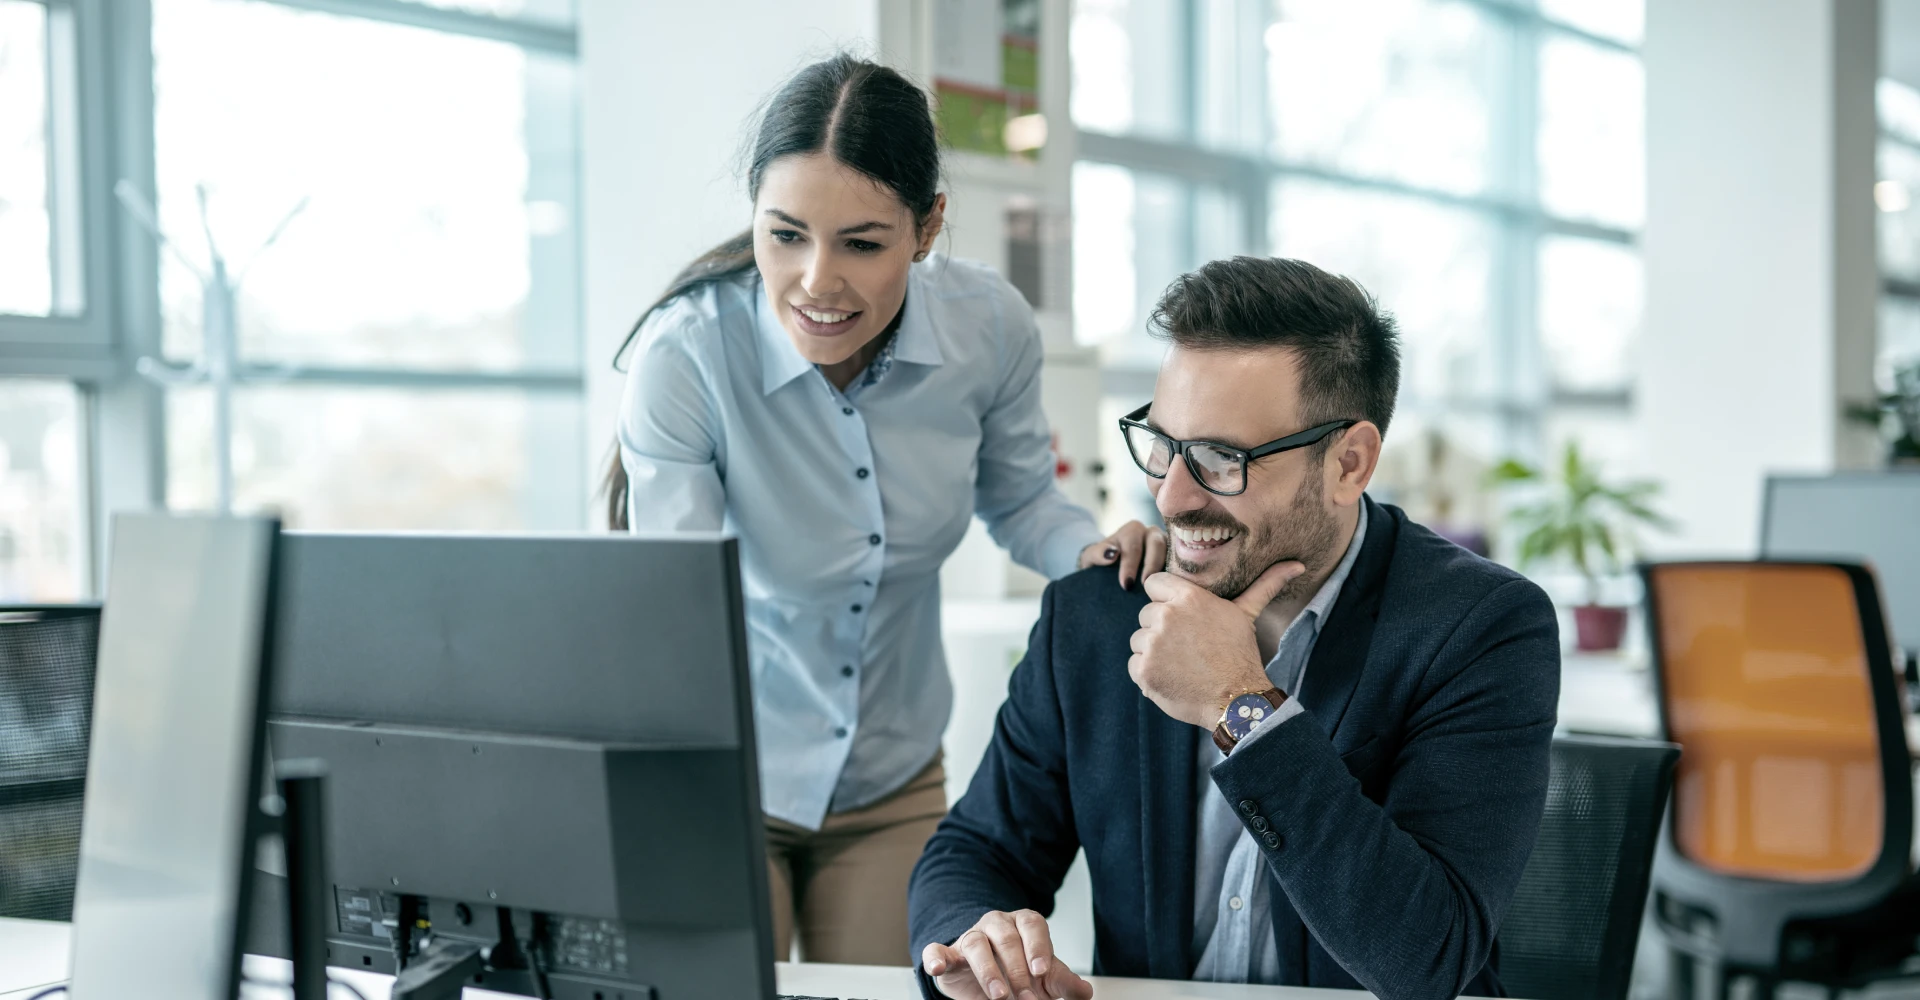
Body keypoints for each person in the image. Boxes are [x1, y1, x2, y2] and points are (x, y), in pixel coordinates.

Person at [610, 55, 1163, 966]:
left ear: (929, 226)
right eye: (784, 235)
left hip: (893, 778)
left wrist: (1105, 554)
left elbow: (1023, 500)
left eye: (862, 244)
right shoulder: (690, 356)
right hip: (721, 769)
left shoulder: (987, 326)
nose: (816, 283)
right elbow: (681, 606)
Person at [908, 257, 1561, 1000]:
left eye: (1222, 458)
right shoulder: (1099, 612)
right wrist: (975, 935)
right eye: (1162, 445)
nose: (1173, 495)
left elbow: (1426, 959)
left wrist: (1239, 707)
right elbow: (977, 850)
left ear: (1349, 463)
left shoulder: (1480, 627)